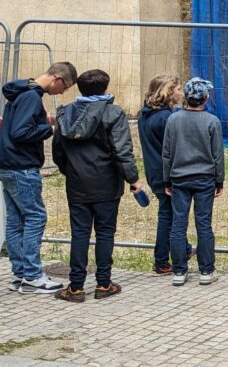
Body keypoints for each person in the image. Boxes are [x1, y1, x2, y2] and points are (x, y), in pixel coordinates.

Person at [52, 69, 143, 302]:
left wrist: (71, 171)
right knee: (105, 233)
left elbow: (58, 152)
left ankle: (75, 287)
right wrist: (132, 179)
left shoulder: (65, 114)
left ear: (80, 88)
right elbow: (122, 151)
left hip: (77, 184)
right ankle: (103, 284)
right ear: (105, 88)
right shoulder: (113, 113)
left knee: (79, 234)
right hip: (107, 183)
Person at [0, 61, 77, 294]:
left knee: (16, 221)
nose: (62, 93)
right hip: (22, 166)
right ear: (57, 79)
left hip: (8, 164)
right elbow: (20, 132)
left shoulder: (21, 92)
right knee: (35, 217)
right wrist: (48, 129)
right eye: (65, 87)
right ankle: (33, 275)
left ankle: (20, 273)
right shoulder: (32, 98)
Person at [162, 77, 225, 287]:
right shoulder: (212, 121)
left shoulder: (173, 119)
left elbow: (167, 153)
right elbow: (218, 155)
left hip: (179, 178)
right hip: (205, 178)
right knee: (203, 224)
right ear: (206, 98)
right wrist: (219, 180)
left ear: (186, 97)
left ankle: (179, 271)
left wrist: (166, 178)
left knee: (178, 225)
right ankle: (206, 270)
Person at [137, 74, 190, 275]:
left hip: (154, 171)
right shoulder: (167, 118)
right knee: (168, 216)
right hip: (168, 173)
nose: (181, 93)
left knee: (168, 213)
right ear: (168, 92)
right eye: (178, 89)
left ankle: (182, 250)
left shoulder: (146, 115)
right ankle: (162, 260)